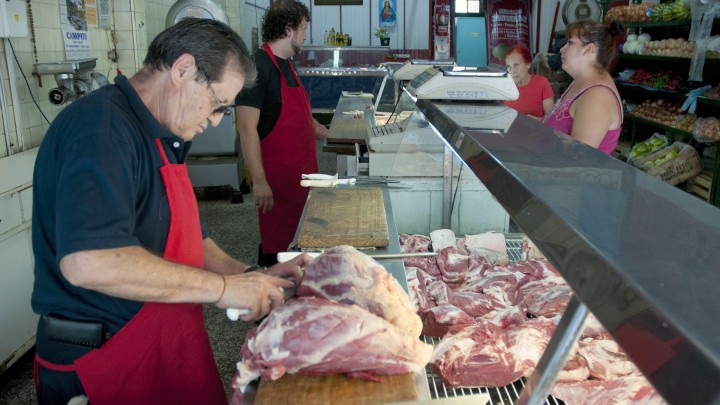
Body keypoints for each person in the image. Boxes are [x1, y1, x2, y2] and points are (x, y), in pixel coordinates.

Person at [31, 18, 312, 404]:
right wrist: (224, 290)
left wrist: (248, 275)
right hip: (104, 359)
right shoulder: (101, 131)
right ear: (182, 70)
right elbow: (88, 262)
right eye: (217, 105)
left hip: (159, 340)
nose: (216, 120)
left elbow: (187, 234)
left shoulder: (162, 132)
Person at [235, 0, 329, 267]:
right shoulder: (258, 67)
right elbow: (246, 127)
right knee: (277, 250)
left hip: (301, 179)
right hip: (277, 183)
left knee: (298, 245)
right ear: (288, 29)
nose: (305, 34)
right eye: (302, 28)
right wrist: (259, 180)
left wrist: (315, 126)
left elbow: (290, 109)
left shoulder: (287, 63)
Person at [542, 20, 625, 155]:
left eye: (570, 43)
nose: (562, 49)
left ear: (590, 49)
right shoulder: (579, 82)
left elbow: (578, 157)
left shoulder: (597, 97)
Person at [501, 44, 555, 119]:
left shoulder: (542, 83)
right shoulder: (502, 86)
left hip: (535, 129)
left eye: (516, 65)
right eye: (509, 67)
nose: (512, 71)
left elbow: (551, 119)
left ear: (528, 64)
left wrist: (537, 121)